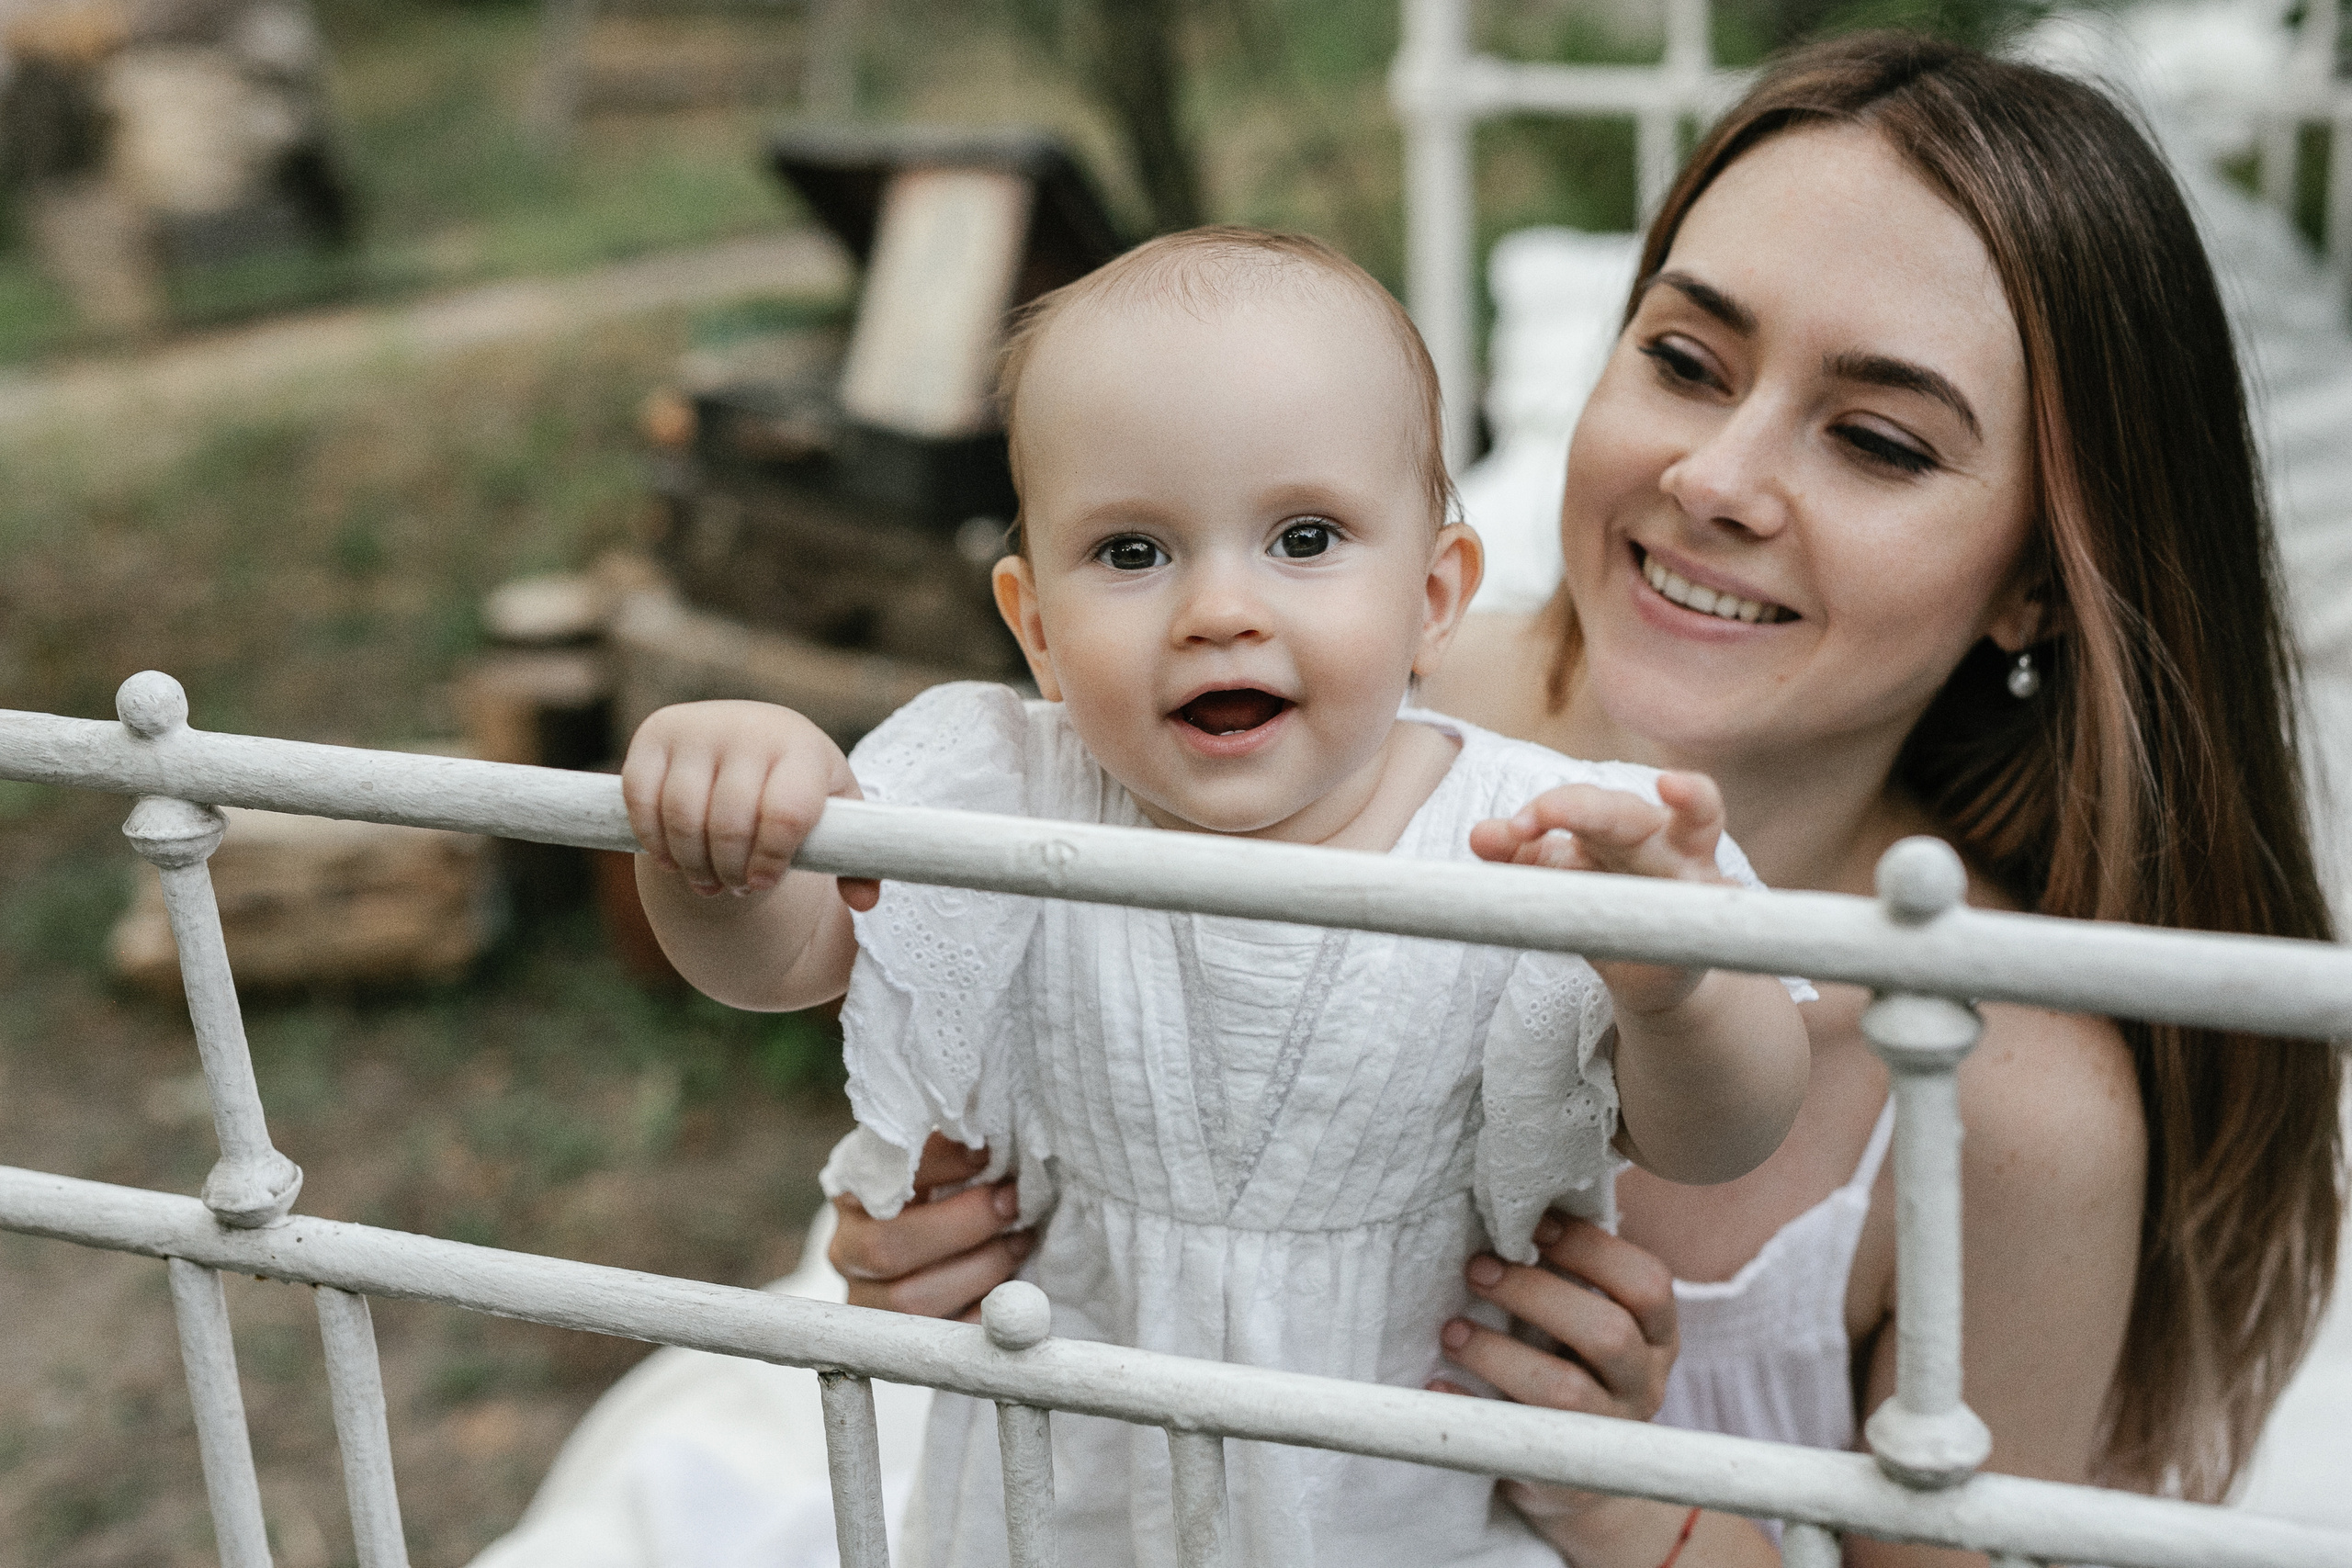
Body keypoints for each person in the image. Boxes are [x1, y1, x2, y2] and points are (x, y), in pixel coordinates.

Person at [827, 32, 2346, 1567]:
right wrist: (935, 1249)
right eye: (1684, 361)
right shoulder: (1294, 735)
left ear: (2034, 582)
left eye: (1879, 441)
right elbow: (1027, 1080)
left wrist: (1627, 1503)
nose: (1717, 479)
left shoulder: (1996, 1090)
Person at [619, 228, 1811, 1567]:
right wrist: (729, 837)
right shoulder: (1006, 790)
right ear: (1037, 631)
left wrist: (1677, 980)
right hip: (1065, 1495)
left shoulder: (1528, 838)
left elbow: (1726, 1130)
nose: (1218, 608)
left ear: (1434, 598)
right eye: (1132, 554)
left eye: (1304, 537)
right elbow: (785, 959)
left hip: (1400, 1499)